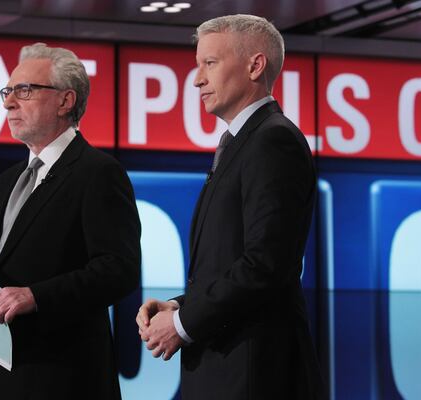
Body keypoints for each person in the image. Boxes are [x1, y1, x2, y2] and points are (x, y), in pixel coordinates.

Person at [0, 43, 141, 400]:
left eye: (25, 91)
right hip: (2, 380)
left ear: (66, 101)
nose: (10, 102)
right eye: (8, 91)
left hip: (64, 380)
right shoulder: (5, 181)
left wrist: (37, 296)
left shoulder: (98, 173)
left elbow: (118, 270)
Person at [136, 14, 326, 399]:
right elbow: (232, 262)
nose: (197, 79)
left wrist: (184, 323)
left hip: (254, 374)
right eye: (198, 65)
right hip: (229, 368)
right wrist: (178, 306)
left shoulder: (274, 142)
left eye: (210, 63)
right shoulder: (246, 142)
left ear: (255, 65)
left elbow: (265, 265)